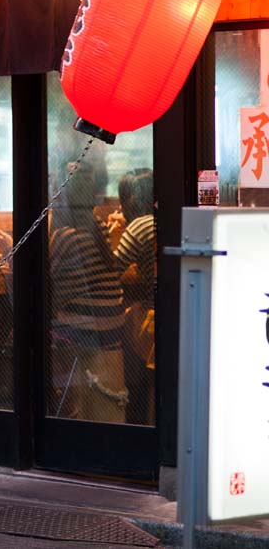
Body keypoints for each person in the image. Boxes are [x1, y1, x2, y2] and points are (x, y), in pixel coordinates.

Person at [49, 165, 127, 422]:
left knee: (22, 331)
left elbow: (43, 285)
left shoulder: (66, 236)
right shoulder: (100, 230)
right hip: (112, 329)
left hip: (87, 333)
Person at [108, 169, 156, 424]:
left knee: (127, 320)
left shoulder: (140, 225)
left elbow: (110, 271)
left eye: (122, 198)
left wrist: (113, 235)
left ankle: (134, 420)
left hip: (154, 319)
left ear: (132, 200)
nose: (119, 205)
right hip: (170, 312)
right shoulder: (158, 219)